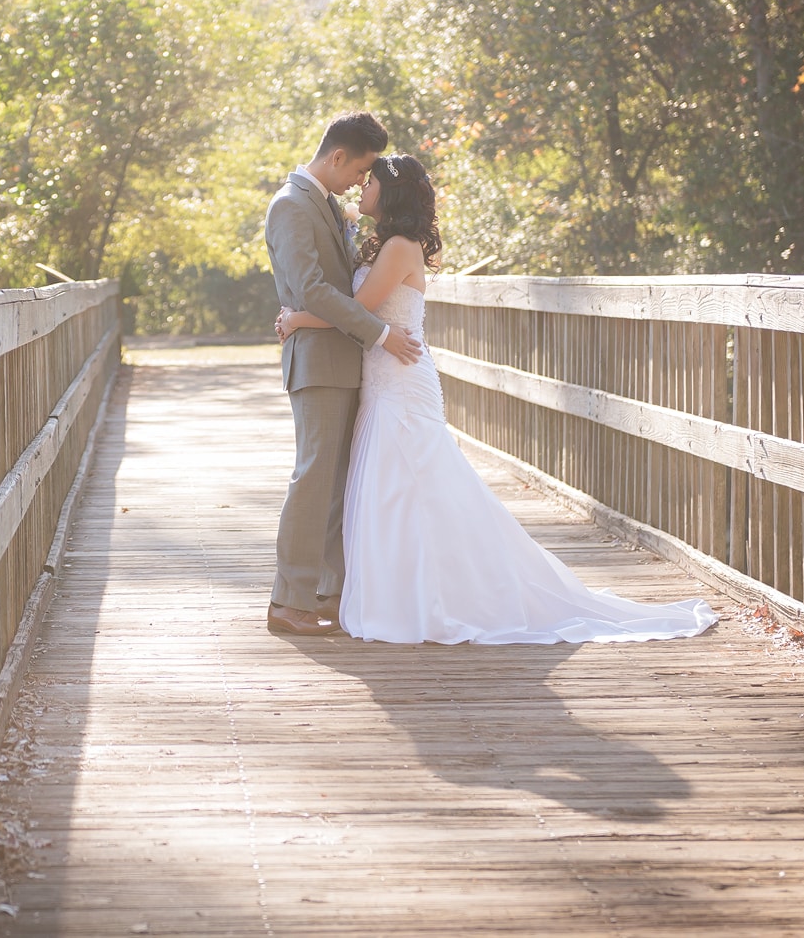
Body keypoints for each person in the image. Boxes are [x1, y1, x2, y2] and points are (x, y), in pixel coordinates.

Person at [276, 153, 718, 644]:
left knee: (418, 486)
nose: (362, 186)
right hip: (382, 381)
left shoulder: (401, 247)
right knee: (389, 490)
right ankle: (390, 592)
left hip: (399, 381)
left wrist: (299, 319)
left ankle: (437, 596)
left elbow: (359, 309)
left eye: (371, 180)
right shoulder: (384, 242)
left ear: (391, 193)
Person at [263, 113, 426, 636]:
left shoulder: (327, 207)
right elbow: (311, 289)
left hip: (345, 358)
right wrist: (379, 334)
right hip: (318, 359)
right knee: (313, 479)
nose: (362, 181)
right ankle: (290, 600)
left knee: (338, 484)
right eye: (360, 169)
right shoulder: (291, 206)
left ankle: (331, 592)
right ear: (336, 157)